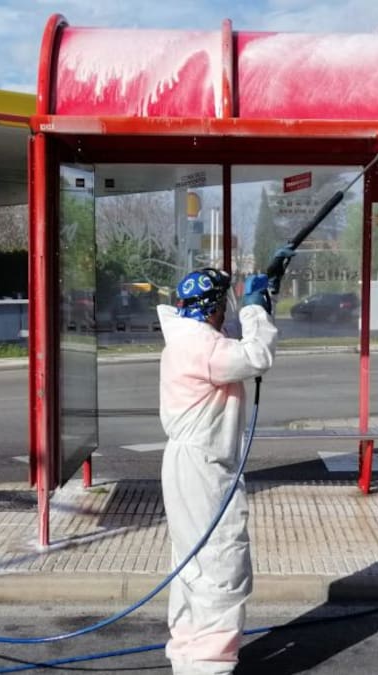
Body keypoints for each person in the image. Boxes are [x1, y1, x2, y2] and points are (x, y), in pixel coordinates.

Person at [157, 267, 278, 675]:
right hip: (205, 468)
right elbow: (256, 356)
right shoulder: (203, 347)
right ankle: (208, 666)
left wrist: (258, 304)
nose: (226, 313)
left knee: (192, 563)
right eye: (224, 304)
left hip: (188, 464)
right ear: (213, 308)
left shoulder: (185, 340)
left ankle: (190, 657)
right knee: (221, 564)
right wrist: (256, 309)